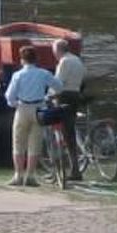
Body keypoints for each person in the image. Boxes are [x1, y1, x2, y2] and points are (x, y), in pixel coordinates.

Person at [3, 45, 60, 186]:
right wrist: (48, 95)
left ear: (22, 60)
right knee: (35, 143)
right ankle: (31, 175)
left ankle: (18, 175)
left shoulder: (18, 75)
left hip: (22, 108)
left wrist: (14, 104)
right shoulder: (43, 73)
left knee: (18, 142)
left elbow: (9, 96)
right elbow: (58, 86)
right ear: (36, 59)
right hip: (39, 108)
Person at [49, 37, 87, 178]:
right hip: (76, 95)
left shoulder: (64, 62)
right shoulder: (77, 60)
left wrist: (49, 95)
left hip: (64, 97)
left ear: (58, 50)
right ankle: (73, 168)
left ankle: (72, 170)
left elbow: (58, 83)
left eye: (54, 50)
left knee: (66, 133)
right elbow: (83, 77)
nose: (54, 53)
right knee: (69, 130)